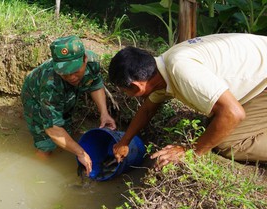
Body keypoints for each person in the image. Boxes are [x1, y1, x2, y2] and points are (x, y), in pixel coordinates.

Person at [108, 33, 267, 170]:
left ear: (137, 87)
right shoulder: (161, 72)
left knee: (227, 143)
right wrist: (124, 142)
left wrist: (190, 152)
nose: (127, 95)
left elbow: (233, 113)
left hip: (263, 80)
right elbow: (148, 109)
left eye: (125, 91)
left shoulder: (182, 71)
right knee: (216, 123)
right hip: (258, 72)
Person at [21, 35, 116, 176]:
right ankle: (35, 175)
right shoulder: (50, 84)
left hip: (63, 95)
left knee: (66, 127)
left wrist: (104, 113)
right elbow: (52, 129)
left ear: (85, 59)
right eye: (65, 73)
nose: (71, 77)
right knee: (46, 146)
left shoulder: (93, 61)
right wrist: (80, 152)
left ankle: (65, 143)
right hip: (34, 97)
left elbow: (95, 84)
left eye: (76, 71)